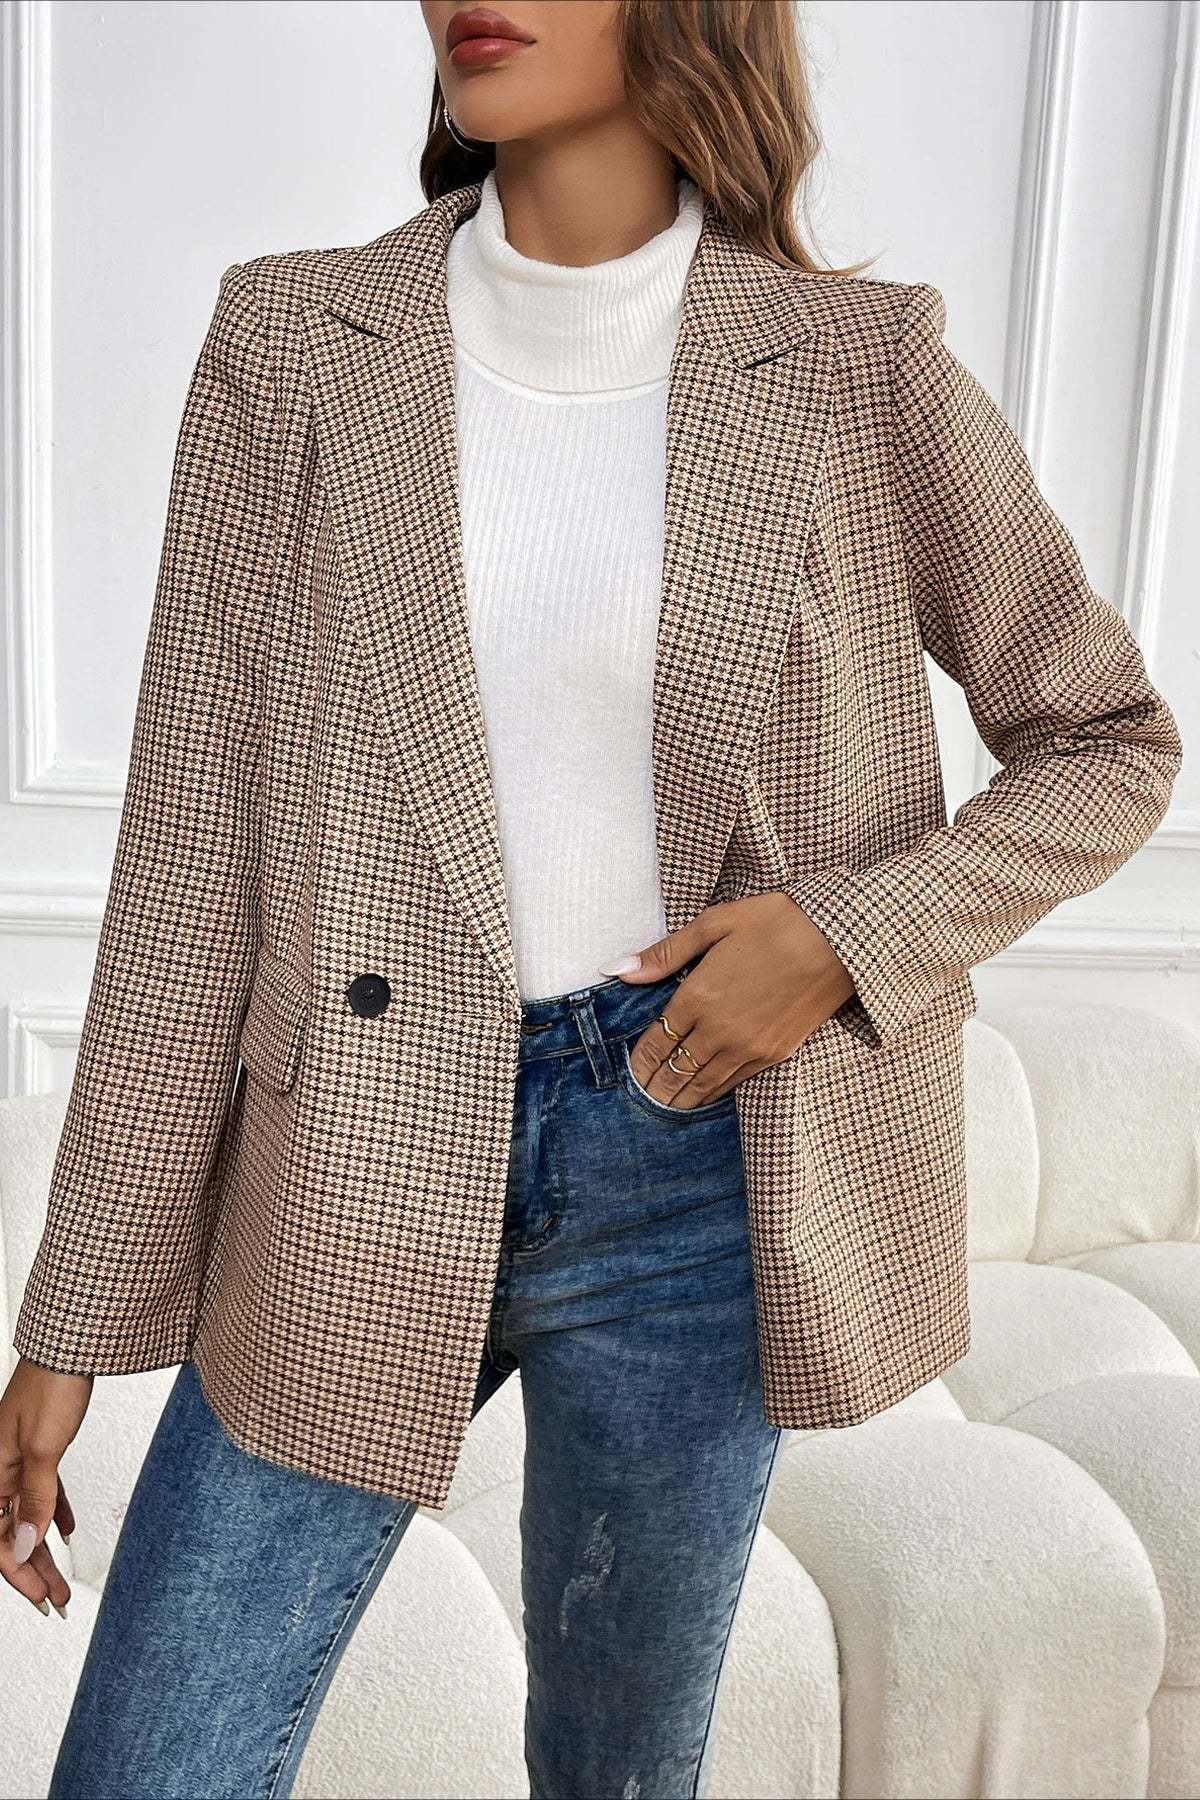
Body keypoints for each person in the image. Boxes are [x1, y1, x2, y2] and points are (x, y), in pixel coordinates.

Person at [0, 2, 1182, 1797]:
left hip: (697, 1164)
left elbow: (1106, 740)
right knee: (149, 1764)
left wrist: (842, 939)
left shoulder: (857, 370)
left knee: (618, 1773)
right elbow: (187, 862)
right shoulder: (295, 344)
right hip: (358, 1145)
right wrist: (72, 1320)